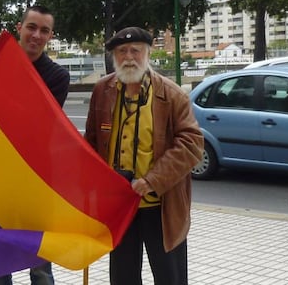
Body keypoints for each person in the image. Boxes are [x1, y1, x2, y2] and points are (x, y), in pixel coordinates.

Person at [84, 27, 204, 285]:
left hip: (161, 205)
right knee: (122, 276)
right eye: (122, 51)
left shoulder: (171, 95)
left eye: (135, 51)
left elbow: (192, 144)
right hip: (119, 205)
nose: (128, 57)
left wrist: (151, 181)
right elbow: (91, 144)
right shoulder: (102, 91)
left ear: (148, 54)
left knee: (169, 276)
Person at [0, 6, 70, 285]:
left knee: (40, 266)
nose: (36, 35)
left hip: (38, 182)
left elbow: (36, 126)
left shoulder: (58, 76)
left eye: (44, 30)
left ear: (50, 36)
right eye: (31, 27)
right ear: (19, 27)